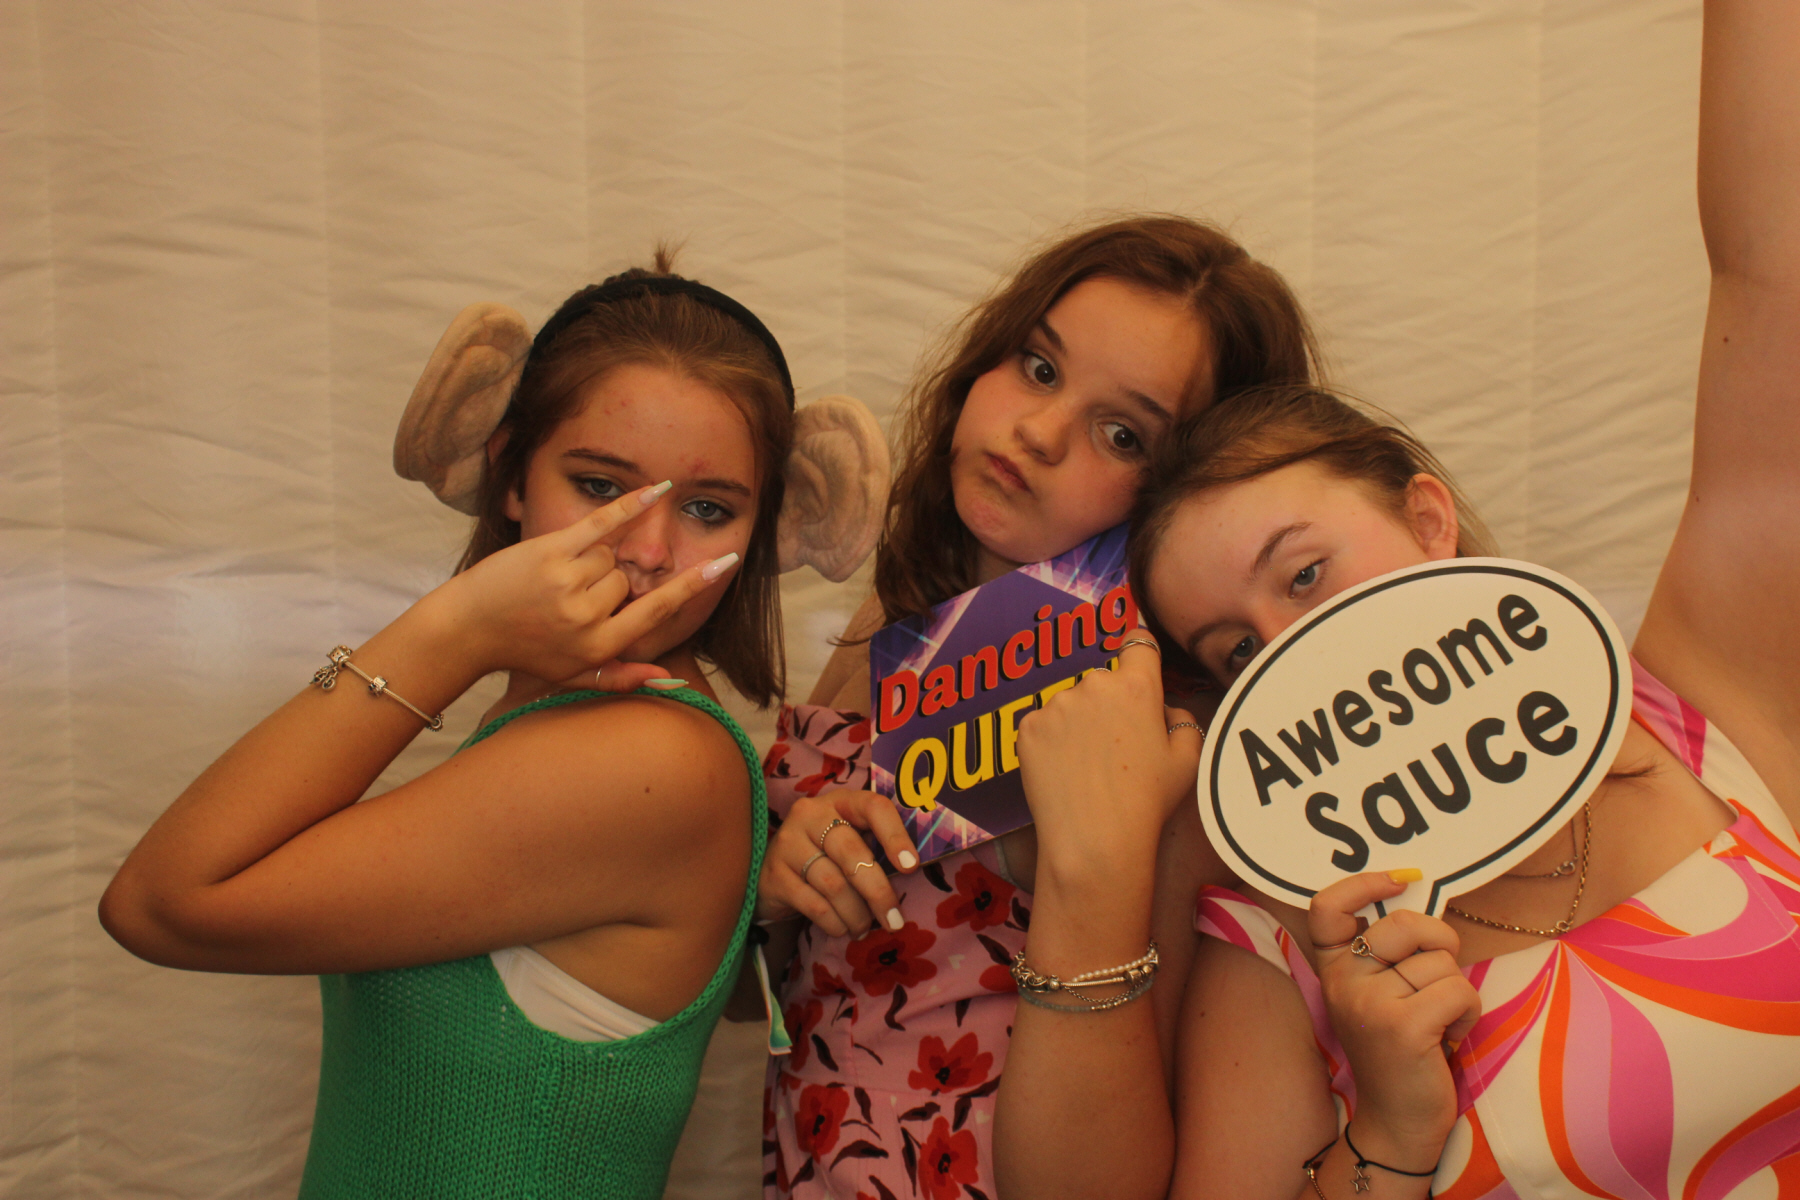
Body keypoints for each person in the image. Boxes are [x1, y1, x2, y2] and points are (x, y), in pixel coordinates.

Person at [996, 4, 1800, 1195]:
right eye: (1235, 647)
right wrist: (1387, 1129)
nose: (1288, 651)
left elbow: (1772, 272)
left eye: (1305, 573)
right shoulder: (1278, 948)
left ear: (1428, 522)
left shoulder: (1700, 706)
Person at [99, 257, 883, 1200]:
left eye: (708, 509)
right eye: (601, 486)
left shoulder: (645, 758)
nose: (647, 551)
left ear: (765, 533)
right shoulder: (578, 722)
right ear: (510, 473)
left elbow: (160, 902)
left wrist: (458, 627)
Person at [754, 215, 1320, 1199]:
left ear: (1191, 489)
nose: (1038, 433)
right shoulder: (897, 609)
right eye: (1039, 367)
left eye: (1122, 434)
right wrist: (774, 888)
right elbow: (767, 986)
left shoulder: (1163, 739)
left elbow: (1152, 1140)